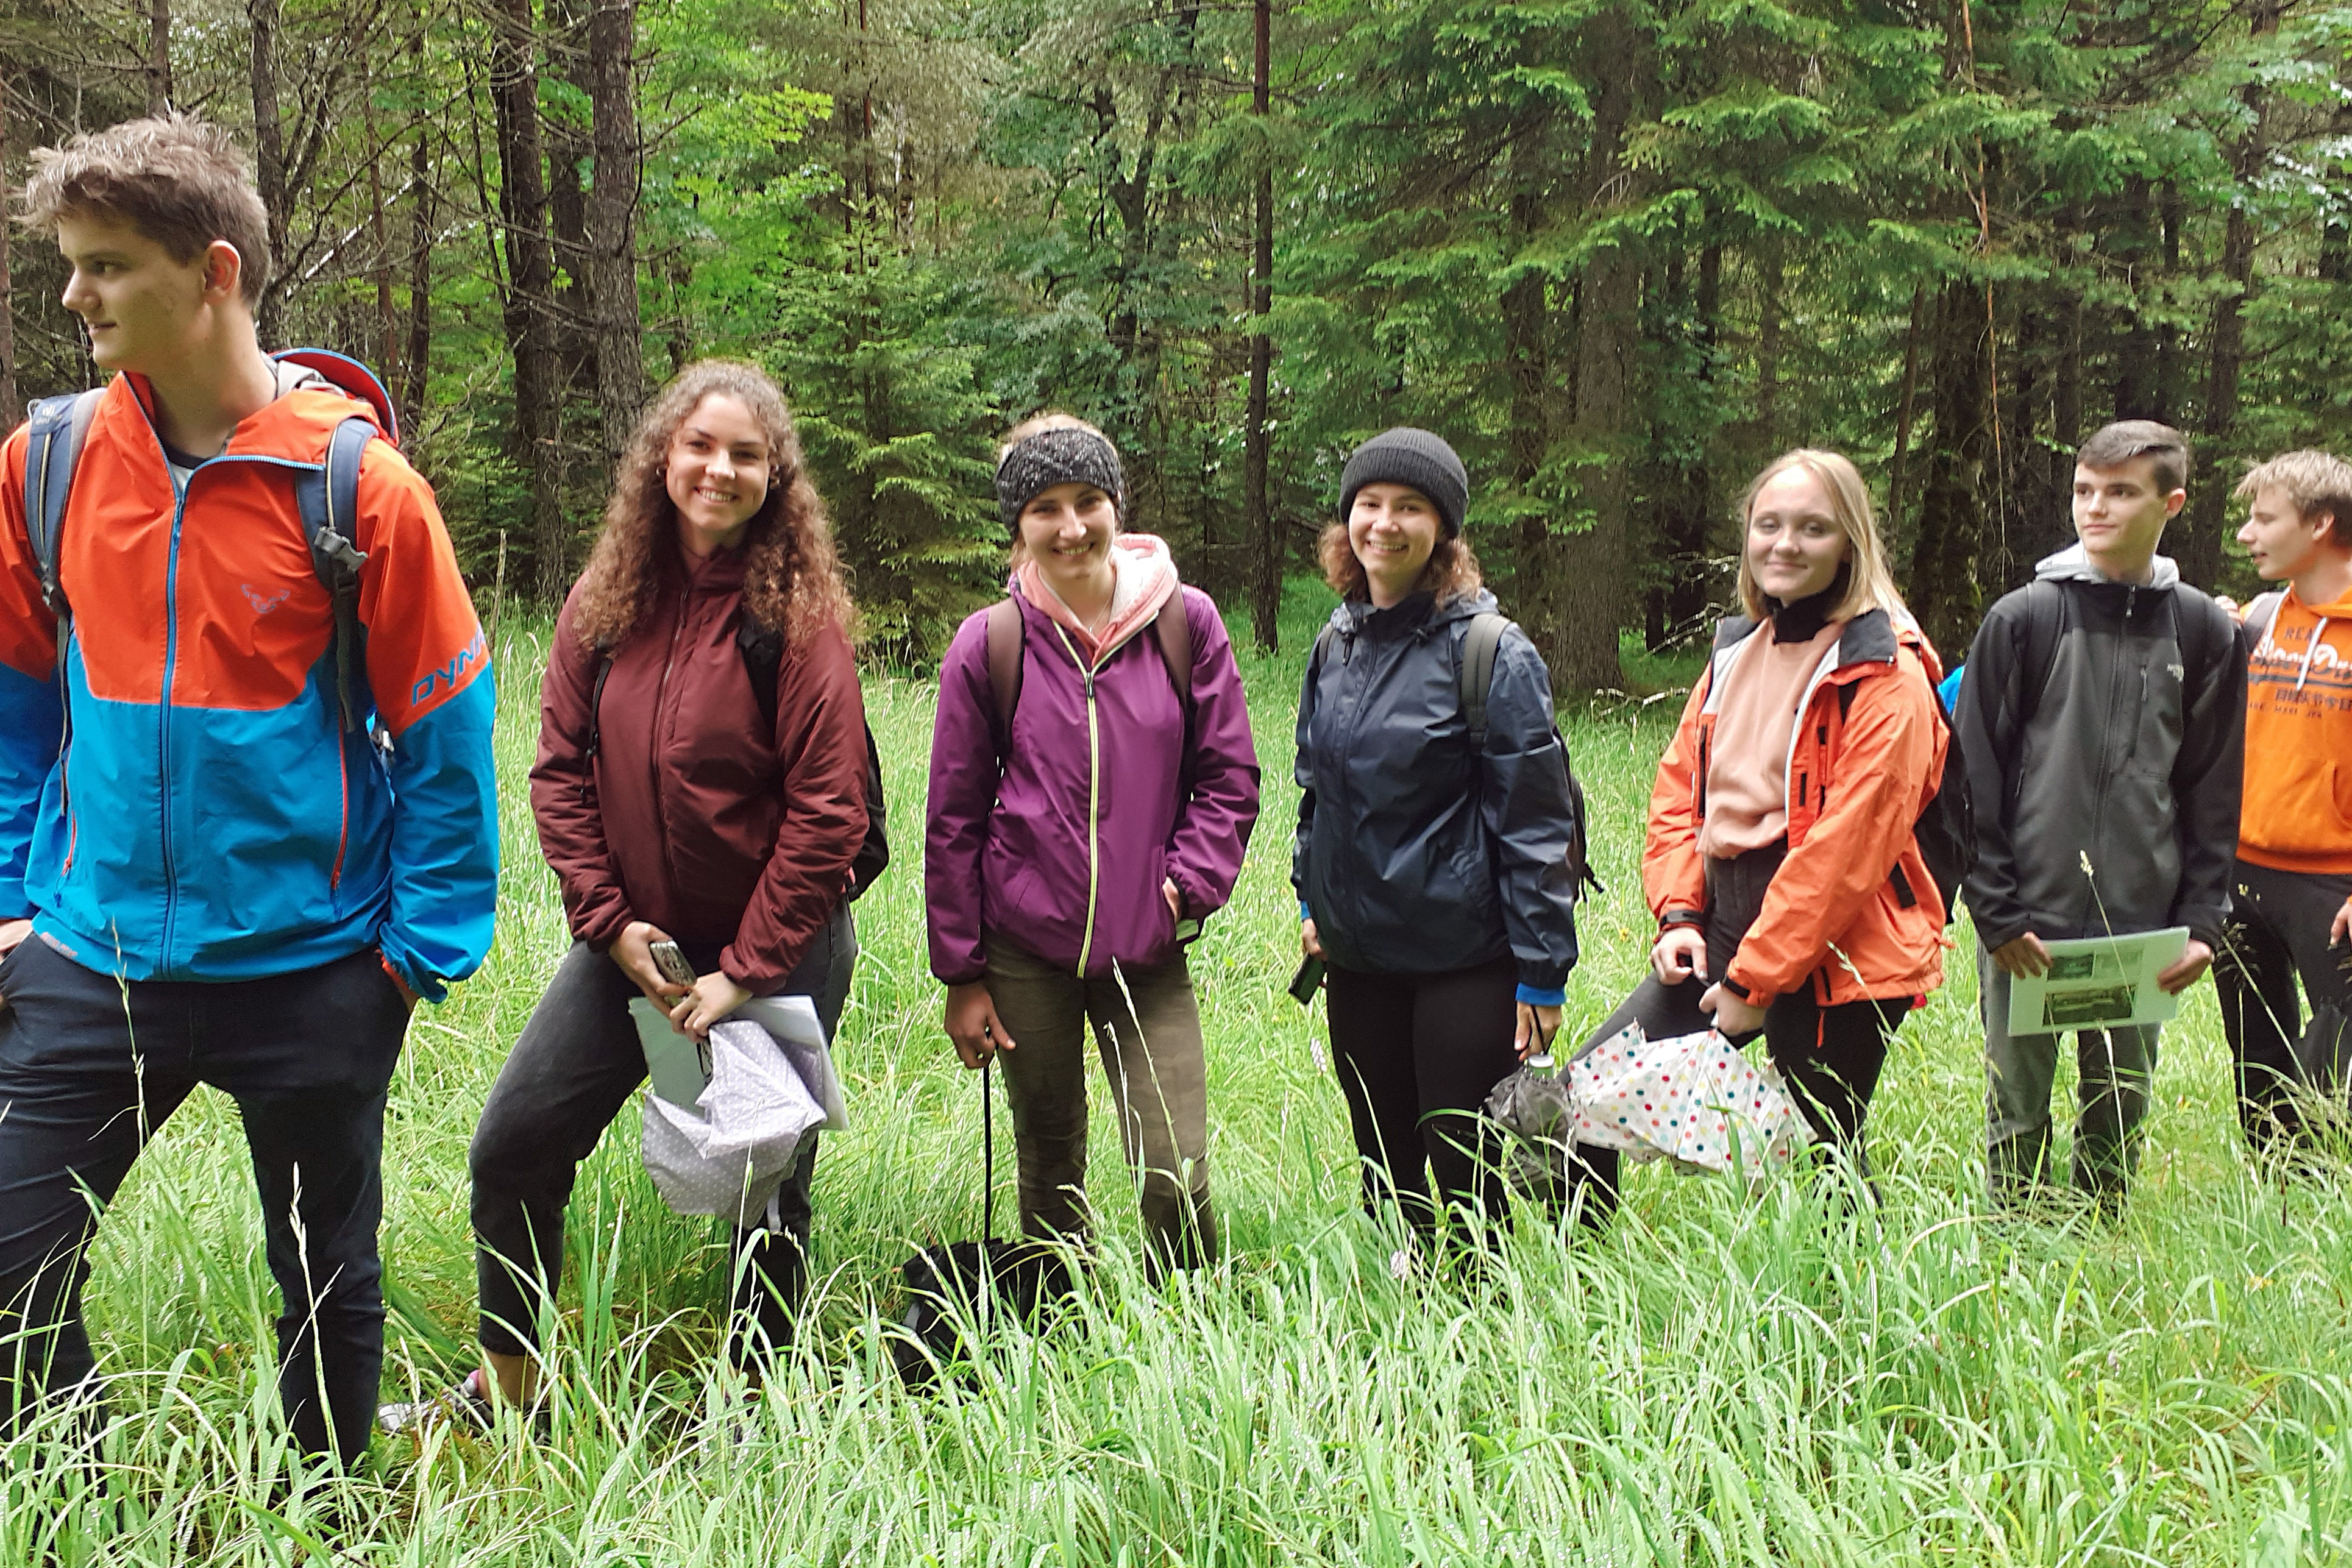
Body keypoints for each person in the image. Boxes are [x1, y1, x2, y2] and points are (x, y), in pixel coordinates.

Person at [0, 114, 497, 1465]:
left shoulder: (362, 490)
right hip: (92, 954)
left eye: (104, 266)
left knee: (324, 1277)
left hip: (312, 967)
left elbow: (451, 738)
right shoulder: (44, 465)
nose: (73, 295)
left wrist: (409, 961)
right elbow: (17, 699)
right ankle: (97, 1496)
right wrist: (9, 902)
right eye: (72, 263)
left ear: (211, 271)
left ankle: (332, 1513)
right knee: (11, 1273)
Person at [442, 361, 867, 1421]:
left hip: (776, 947)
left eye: (746, 454)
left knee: (761, 1181)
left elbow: (830, 812)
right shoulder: (605, 597)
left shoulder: (797, 617)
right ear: (662, 456)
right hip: (631, 946)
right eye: (700, 445)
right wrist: (608, 922)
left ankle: (755, 1403)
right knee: (513, 1145)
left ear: (776, 476)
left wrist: (746, 972)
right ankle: (509, 1381)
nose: (718, 469)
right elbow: (557, 770)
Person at [926, 413, 1259, 1279]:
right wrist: (961, 974)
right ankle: (1057, 1318)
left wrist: (1184, 886)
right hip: (1023, 951)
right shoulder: (988, 644)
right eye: (1044, 508)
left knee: (1176, 1158)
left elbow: (1228, 777)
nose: (1070, 527)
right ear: (1018, 526)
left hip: (1146, 948)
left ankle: (1186, 1326)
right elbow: (952, 817)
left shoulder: (1186, 624)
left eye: (1087, 501)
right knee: (1047, 1157)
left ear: (1117, 505)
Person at [1572, 449, 1949, 1212]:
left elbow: (1844, 853)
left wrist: (1754, 982)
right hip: (1722, 923)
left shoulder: (1886, 672)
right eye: (1769, 524)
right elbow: (1681, 788)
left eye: (1813, 528)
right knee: (1589, 1099)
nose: (1785, 544)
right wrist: (1679, 915)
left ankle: (1855, 1319)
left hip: (1841, 949)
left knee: (1820, 1148)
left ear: (1851, 542)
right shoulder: (1738, 650)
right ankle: (1579, 1286)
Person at [1292, 427, 1582, 1253]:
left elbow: (1534, 825)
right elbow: (1316, 791)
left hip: (1463, 960)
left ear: (1443, 531)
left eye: (1409, 507)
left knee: (1464, 1172)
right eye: (1368, 504)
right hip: (1358, 961)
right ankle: (1402, 1324)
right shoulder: (1335, 643)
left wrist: (1541, 972)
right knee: (1382, 1164)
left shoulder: (1490, 652)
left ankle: (1472, 1336)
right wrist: (1311, 898)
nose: (1383, 523)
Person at [1957, 420, 2247, 1209]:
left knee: (2117, 1105)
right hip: (2026, 923)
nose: (2096, 507)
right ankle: (2011, 1249)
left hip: (2138, 927)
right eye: (2085, 489)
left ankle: (2100, 1241)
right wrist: (1993, 909)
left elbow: (2213, 787)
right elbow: (1972, 775)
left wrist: (2200, 919)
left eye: (2120, 492)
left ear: (2169, 503)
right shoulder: (2022, 618)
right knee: (2014, 1108)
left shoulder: (2203, 628)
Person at [2219, 450, 2352, 1155]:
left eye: (2264, 518)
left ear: (2321, 523)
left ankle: (2325, 1191)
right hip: (2241, 870)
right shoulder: (2262, 617)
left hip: (2334, 883)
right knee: (2254, 1053)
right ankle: (2274, 1202)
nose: (2247, 532)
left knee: (2333, 1059)